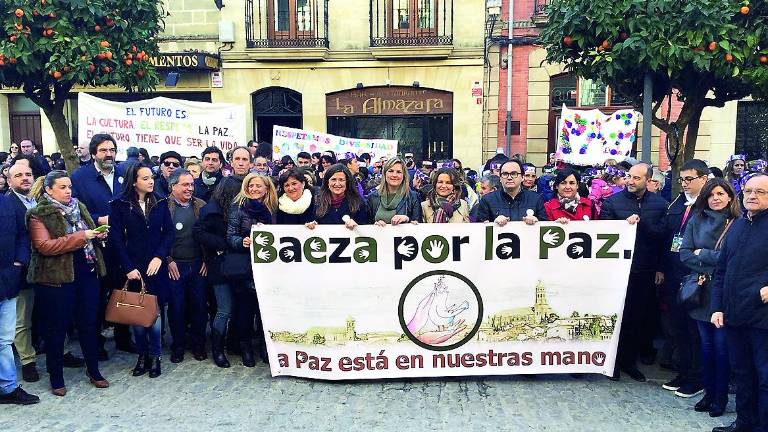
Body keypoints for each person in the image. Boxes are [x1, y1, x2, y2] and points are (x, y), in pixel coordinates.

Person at [27, 170, 109, 396]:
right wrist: (83, 237)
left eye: (69, 187)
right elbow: (45, 246)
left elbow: (88, 234)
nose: (68, 191)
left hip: (87, 273)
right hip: (56, 280)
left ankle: (93, 370)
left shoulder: (78, 207)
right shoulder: (39, 213)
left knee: (89, 325)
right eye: (62, 187)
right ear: (48, 189)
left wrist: (98, 235)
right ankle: (56, 377)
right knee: (57, 329)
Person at [599, 163, 668, 382]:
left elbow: (663, 237)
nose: (630, 181)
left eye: (636, 178)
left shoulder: (659, 205)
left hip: (644, 269)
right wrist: (623, 225)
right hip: (617, 271)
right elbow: (603, 231)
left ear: (648, 181)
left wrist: (660, 267)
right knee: (617, 316)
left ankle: (630, 362)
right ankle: (614, 362)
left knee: (637, 317)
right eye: (629, 176)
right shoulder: (613, 202)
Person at [710, 174, 768, 432]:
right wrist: (717, 307)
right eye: (748, 191)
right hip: (734, 313)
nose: (753, 196)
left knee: (765, 377)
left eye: (760, 192)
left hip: (763, 317)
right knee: (742, 372)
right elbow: (721, 270)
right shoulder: (738, 225)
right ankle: (744, 423)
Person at [680, 178, 741, 418]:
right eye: (711, 194)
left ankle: (720, 397)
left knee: (721, 348)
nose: (715, 198)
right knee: (705, 347)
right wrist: (711, 262)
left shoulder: (738, 223)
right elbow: (684, 254)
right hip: (701, 291)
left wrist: (703, 254)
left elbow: (732, 259)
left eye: (720, 194)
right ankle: (708, 393)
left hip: (725, 292)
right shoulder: (696, 220)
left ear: (729, 197)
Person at [70, 133, 134, 357]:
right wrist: (98, 219)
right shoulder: (79, 177)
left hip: (122, 245)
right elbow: (75, 209)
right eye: (104, 150)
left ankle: (123, 338)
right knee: (96, 297)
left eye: (112, 150)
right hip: (95, 247)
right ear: (94, 153)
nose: (109, 154)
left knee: (122, 292)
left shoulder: (125, 173)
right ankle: (95, 344)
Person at [108, 163, 174, 379]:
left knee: (154, 314)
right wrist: (128, 267)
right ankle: (142, 355)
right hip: (133, 266)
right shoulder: (119, 204)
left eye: (151, 177)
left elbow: (168, 234)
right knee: (136, 313)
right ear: (134, 181)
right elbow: (116, 238)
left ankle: (155, 356)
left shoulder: (161, 202)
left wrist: (159, 257)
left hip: (155, 266)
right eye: (145, 178)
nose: (151, 181)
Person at [660, 159, 710, 398]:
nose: (685, 184)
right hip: (673, 272)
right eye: (682, 179)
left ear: (704, 178)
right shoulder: (679, 202)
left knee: (694, 329)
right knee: (677, 326)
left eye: (690, 179)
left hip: (694, 275)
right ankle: (684, 371)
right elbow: (668, 234)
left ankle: (697, 376)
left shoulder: (709, 205)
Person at [227, 173, 276, 366]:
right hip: (245, 267)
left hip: (268, 267)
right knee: (245, 310)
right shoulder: (237, 208)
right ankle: (245, 347)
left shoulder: (273, 208)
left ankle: (266, 347)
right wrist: (242, 241)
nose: (254, 189)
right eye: (251, 186)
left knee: (265, 310)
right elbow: (230, 236)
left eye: (259, 186)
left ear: (266, 188)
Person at [192, 181, 240, 368]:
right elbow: (198, 232)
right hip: (220, 266)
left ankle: (233, 344)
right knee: (224, 309)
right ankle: (217, 350)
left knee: (236, 308)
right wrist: (224, 244)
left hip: (236, 265)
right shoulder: (212, 211)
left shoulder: (238, 209)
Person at [0, 186, 38, 405]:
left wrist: (19, 262)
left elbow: (22, 234)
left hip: (8, 282)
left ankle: (8, 388)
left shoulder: (5, 203)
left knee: (5, 340)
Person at [166, 169, 207, 363]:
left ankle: (198, 345)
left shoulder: (201, 206)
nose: (190, 188)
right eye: (185, 185)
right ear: (173, 186)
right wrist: (168, 260)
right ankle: (178, 346)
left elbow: (210, 235)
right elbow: (158, 237)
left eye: (191, 184)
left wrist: (207, 259)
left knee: (199, 308)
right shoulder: (163, 207)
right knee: (176, 309)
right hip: (175, 267)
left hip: (198, 266)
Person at [7, 163, 40, 383]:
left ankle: (62, 352)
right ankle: (28, 361)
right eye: (19, 175)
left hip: (45, 270)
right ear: (9, 181)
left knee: (48, 314)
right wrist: (18, 264)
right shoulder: (7, 205)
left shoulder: (38, 202)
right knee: (22, 320)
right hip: (22, 272)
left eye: (28, 174)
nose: (25, 178)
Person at [475, 159, 547, 226]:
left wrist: (537, 222)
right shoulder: (487, 200)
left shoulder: (536, 199)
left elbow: (546, 227)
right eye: (505, 174)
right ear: (500, 178)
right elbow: (479, 229)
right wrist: (493, 224)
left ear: (522, 177)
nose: (509, 177)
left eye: (514, 173)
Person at [310, 164, 370, 228]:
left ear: (347, 182)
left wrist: (357, 226)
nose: (337, 184)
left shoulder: (359, 203)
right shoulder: (318, 201)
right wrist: (312, 224)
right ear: (327, 182)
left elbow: (366, 229)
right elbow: (314, 221)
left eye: (341, 180)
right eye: (333, 179)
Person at [368, 157, 422, 226]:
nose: (394, 175)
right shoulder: (372, 197)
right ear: (384, 174)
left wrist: (407, 219)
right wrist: (374, 225)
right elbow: (365, 224)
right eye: (391, 171)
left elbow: (419, 225)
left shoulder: (413, 197)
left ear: (404, 175)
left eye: (399, 172)